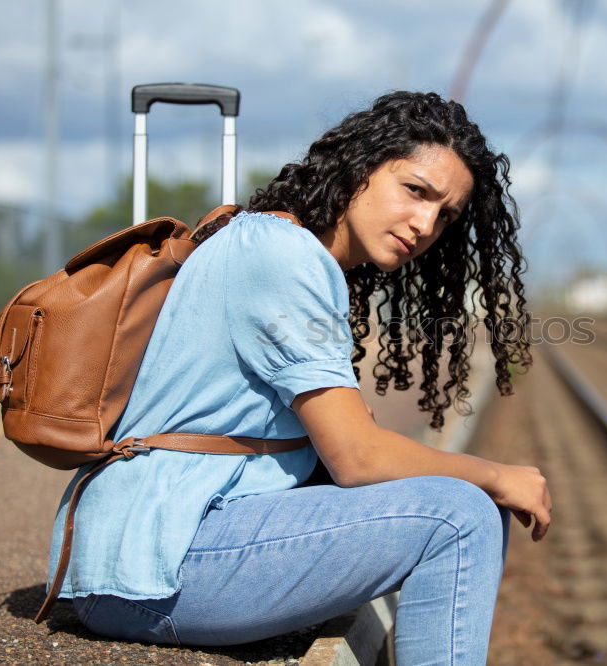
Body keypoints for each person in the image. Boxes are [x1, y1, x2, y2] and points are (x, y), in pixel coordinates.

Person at [48, 91, 552, 664]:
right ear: (360, 167)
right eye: (415, 191)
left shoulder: (276, 243)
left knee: (462, 501)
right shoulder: (287, 259)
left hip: (152, 546)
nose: (425, 224)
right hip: (155, 562)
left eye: (446, 216)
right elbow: (357, 458)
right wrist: (497, 475)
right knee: (460, 517)